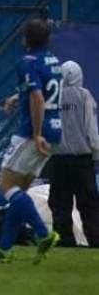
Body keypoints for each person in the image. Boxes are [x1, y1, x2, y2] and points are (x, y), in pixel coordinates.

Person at [0, 18, 62, 262]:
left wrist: (35, 134)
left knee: (6, 186)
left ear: (26, 39)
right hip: (55, 129)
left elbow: (37, 96)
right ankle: (3, 248)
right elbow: (43, 89)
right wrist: (17, 95)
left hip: (33, 132)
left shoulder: (26, 62)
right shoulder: (53, 61)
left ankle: (43, 233)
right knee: (19, 191)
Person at [49, 60, 99, 247]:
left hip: (58, 160)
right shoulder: (85, 97)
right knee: (89, 203)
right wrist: (96, 154)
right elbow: (91, 130)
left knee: (60, 203)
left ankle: (64, 239)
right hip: (82, 160)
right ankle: (95, 239)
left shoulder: (53, 97)